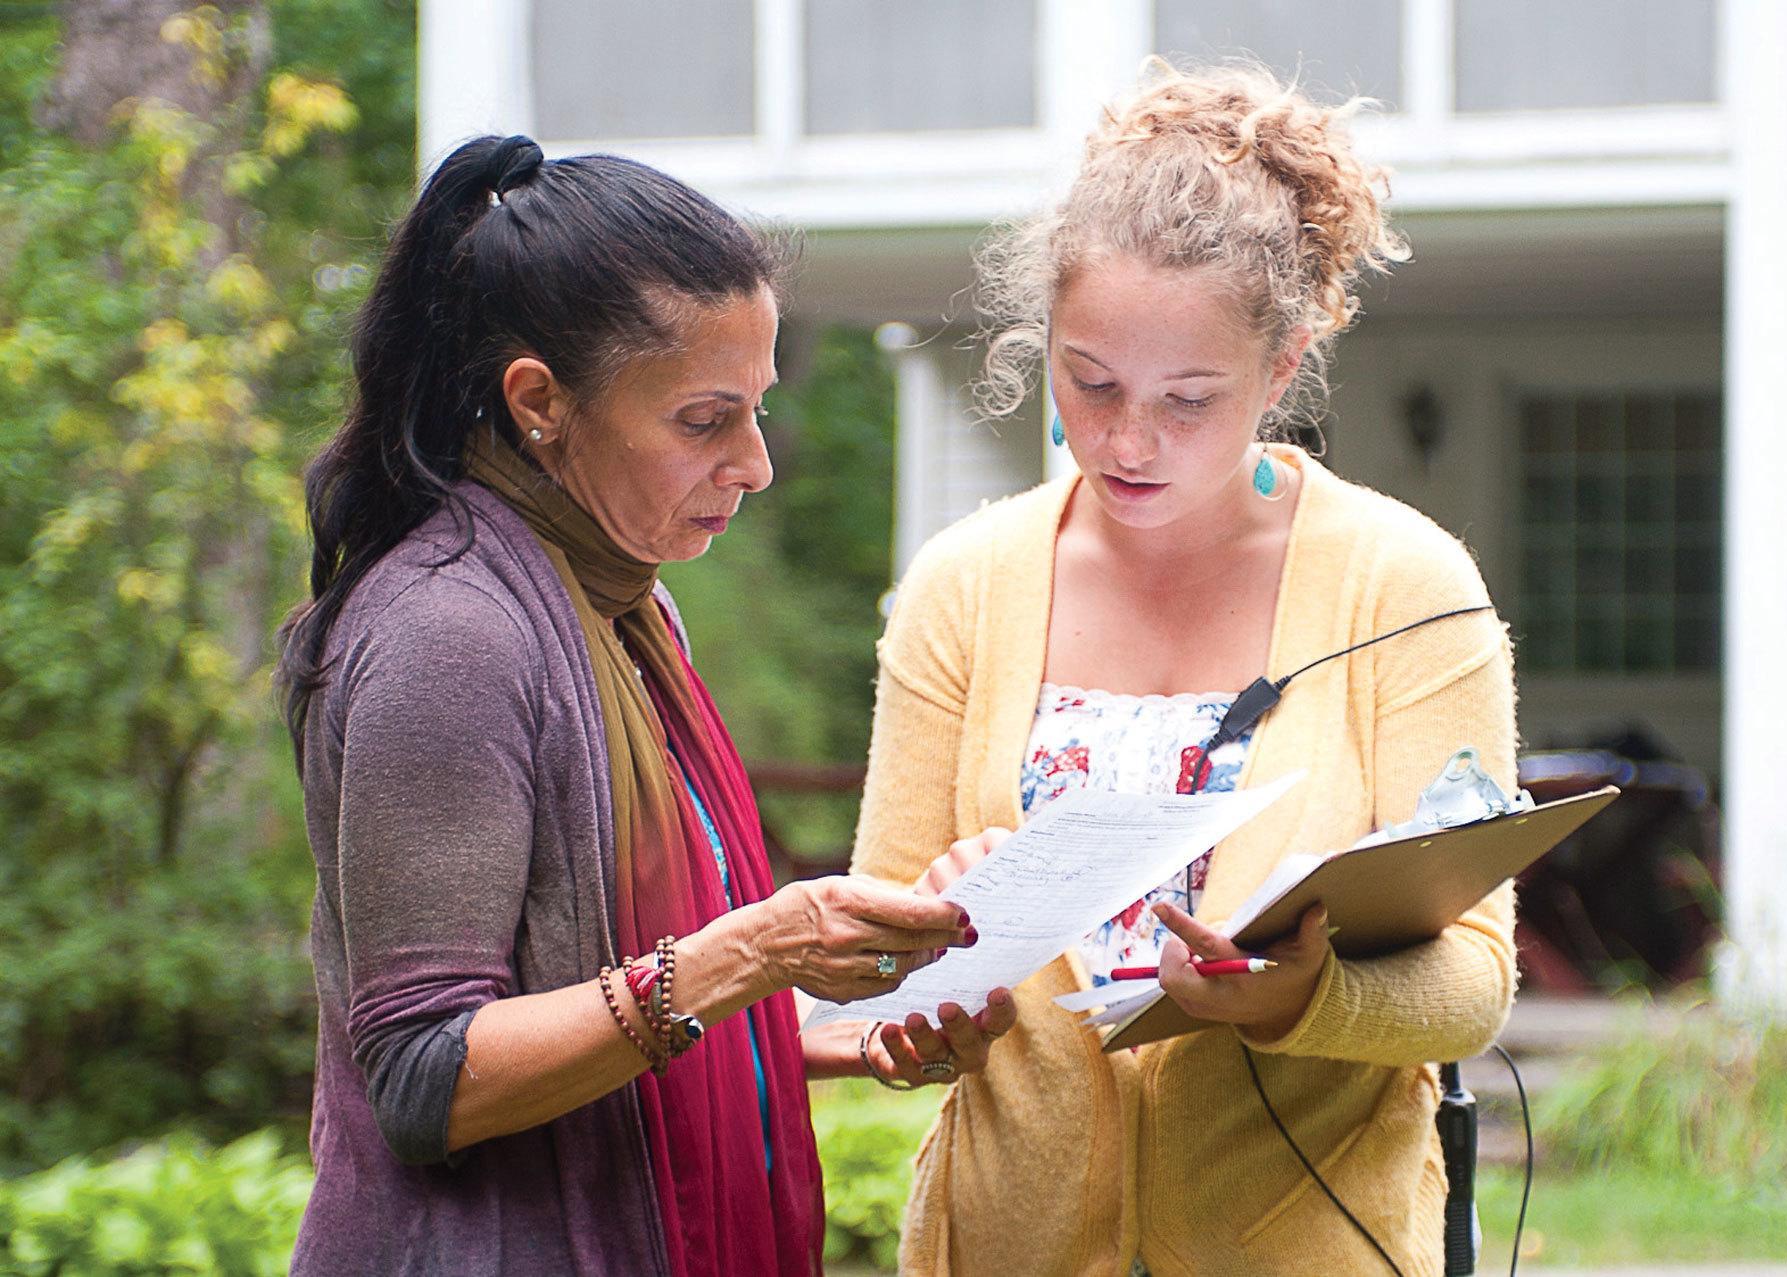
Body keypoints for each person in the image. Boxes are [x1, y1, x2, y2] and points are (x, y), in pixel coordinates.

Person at [278, 135, 1013, 1277]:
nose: (755, 463)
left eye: (757, 410)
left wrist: (823, 1040)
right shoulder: (447, 633)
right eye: (703, 420)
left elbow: (603, 991)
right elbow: (425, 1075)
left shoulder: (627, 608)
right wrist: (757, 951)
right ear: (540, 403)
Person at [849, 63, 1519, 1275]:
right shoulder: (964, 586)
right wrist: (922, 976)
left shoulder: (1405, 588)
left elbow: (1471, 977)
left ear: (1280, 369)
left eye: (1188, 399)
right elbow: (870, 970)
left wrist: (1290, 1000)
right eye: (1088, 380)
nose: (1124, 439)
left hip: (1309, 1240)